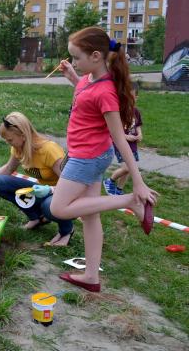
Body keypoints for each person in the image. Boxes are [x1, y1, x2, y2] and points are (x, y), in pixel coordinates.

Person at [49, 26, 158, 292]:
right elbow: (87, 99)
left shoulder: (106, 91)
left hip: (87, 158)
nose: (74, 61)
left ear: (96, 56)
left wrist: (137, 184)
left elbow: (120, 138)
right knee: (90, 215)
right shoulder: (89, 78)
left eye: (77, 58)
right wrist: (73, 77)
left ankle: (130, 201)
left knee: (58, 208)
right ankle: (90, 276)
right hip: (87, 154)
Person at [0, 112, 74, 246]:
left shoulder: (49, 150)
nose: (8, 143)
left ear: (23, 135)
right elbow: (8, 169)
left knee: (48, 205)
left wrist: (49, 190)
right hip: (42, 190)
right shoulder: (18, 148)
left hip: (63, 192)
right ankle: (37, 218)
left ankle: (67, 230)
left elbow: (70, 182)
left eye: (10, 140)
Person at [103, 82, 142, 196]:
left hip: (132, 145)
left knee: (129, 169)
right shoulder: (117, 113)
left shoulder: (136, 112)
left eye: (131, 98)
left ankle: (119, 190)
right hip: (121, 144)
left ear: (136, 98)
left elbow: (138, 124)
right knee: (128, 167)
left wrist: (139, 134)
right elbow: (113, 131)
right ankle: (110, 180)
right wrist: (126, 137)